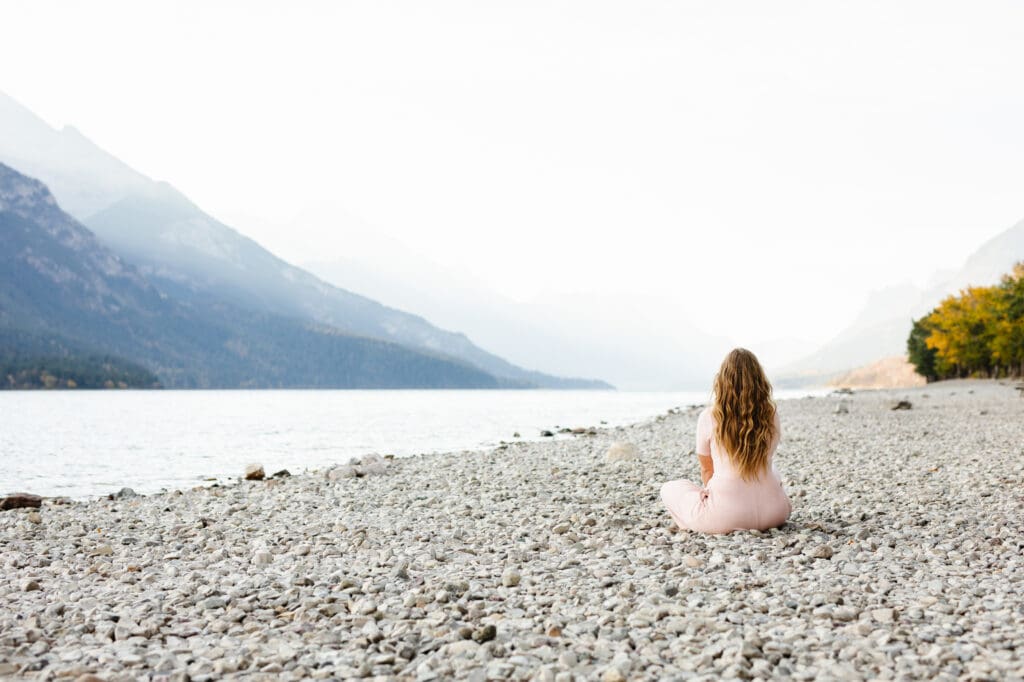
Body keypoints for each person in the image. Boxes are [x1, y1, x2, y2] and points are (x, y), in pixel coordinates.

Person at [660, 348, 791, 533]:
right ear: (759, 380)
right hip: (776, 513)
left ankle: (706, 517)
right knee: (771, 469)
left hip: (727, 517)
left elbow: (707, 469)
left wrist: (715, 496)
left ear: (722, 381)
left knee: (669, 488)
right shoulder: (771, 414)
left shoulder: (709, 416)